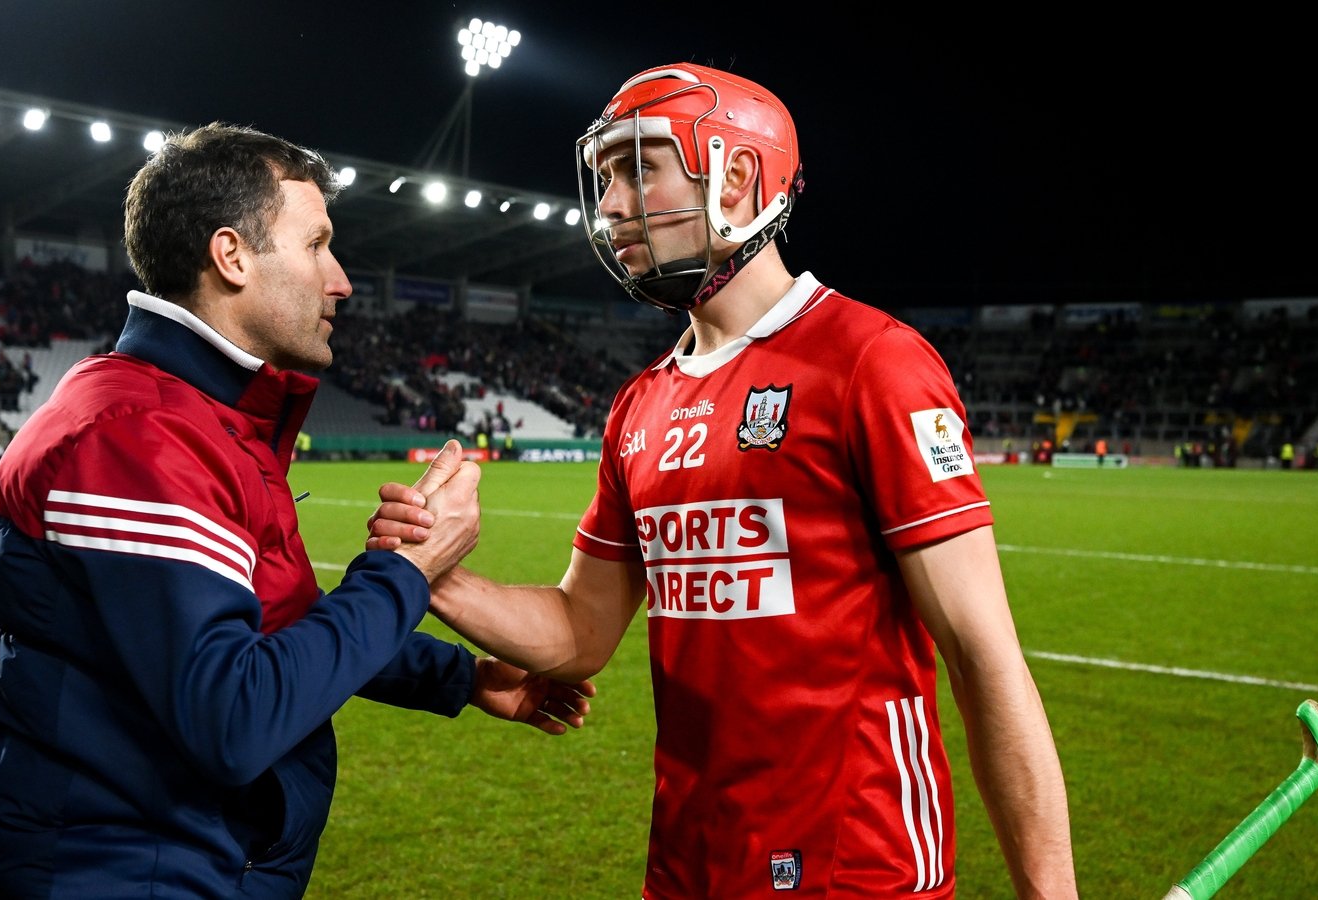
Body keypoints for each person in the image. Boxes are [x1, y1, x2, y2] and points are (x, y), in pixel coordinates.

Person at [372, 64, 1076, 897]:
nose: (611, 206)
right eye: (606, 179)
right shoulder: (640, 405)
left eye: (639, 169)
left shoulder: (871, 363)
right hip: (690, 859)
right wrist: (434, 574)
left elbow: (983, 655)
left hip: (853, 864)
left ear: (736, 178)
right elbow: (580, 631)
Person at [0, 122, 594, 899]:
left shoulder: (196, 417)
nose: (342, 281)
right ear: (232, 257)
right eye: (317, 245)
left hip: (173, 861)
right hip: (133, 873)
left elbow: (269, 620)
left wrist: (458, 678)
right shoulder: (139, 436)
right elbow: (233, 720)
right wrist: (407, 571)